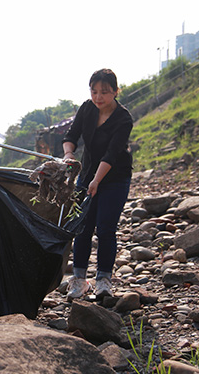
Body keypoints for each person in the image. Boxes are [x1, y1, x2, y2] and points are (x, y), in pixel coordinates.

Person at [62, 68, 133, 300]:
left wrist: (96, 181)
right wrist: (69, 155)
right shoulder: (87, 108)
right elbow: (71, 136)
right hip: (88, 173)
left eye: (104, 92)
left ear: (115, 91)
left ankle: (103, 280)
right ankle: (79, 280)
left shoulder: (123, 119)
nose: (98, 97)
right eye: (94, 91)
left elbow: (112, 154)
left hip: (115, 177)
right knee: (82, 227)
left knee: (105, 229)